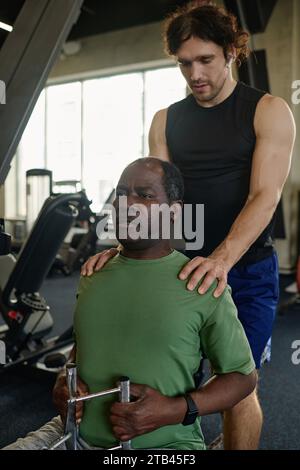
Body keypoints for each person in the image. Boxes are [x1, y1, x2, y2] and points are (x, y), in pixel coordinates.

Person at [81, 2, 296, 450]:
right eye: (184, 63)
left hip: (244, 268)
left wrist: (220, 260)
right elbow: (157, 200)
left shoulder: (268, 110)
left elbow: (265, 195)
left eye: (205, 60)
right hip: (181, 270)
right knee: (171, 385)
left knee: (238, 386)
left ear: (231, 52)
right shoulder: (166, 120)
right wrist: (119, 249)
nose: (194, 73)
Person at [3, 158, 256, 450]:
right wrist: (64, 377)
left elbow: (241, 377)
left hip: (166, 448)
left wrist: (174, 409)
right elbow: (83, 348)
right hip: (74, 433)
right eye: (121, 194)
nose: (127, 204)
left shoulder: (201, 284)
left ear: (173, 211)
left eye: (145, 195)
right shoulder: (93, 273)